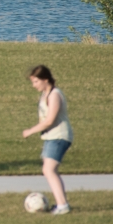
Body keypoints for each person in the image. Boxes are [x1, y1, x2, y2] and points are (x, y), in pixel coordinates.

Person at [22, 65, 73, 214]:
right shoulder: (46, 94)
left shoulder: (54, 95)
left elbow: (50, 120)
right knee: (50, 170)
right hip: (50, 136)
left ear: (45, 79)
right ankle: (61, 204)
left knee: (48, 169)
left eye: (36, 81)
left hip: (59, 136)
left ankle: (63, 205)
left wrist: (30, 131)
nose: (34, 85)